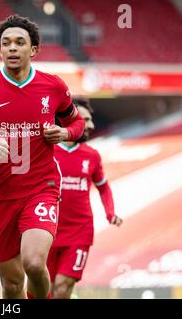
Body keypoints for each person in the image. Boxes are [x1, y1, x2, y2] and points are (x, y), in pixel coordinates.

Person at [0, 15, 85, 299]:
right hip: (0, 195)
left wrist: (64, 134)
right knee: (12, 285)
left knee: (34, 263)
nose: (12, 48)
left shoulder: (53, 87)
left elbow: (77, 124)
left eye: (19, 42)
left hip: (42, 189)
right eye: (6, 43)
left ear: (34, 50)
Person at [47, 98, 123, 299]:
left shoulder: (92, 155)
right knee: (43, 290)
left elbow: (103, 187)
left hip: (79, 233)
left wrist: (110, 213)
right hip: (46, 231)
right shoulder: (47, 150)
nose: (91, 125)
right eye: (85, 119)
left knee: (62, 287)